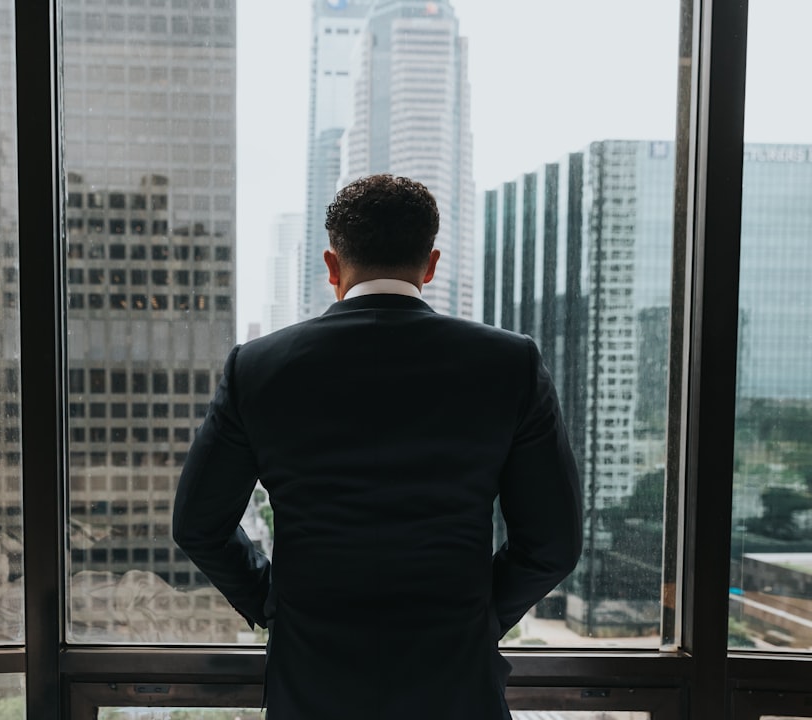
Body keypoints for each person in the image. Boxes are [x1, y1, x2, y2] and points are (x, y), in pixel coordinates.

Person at [172, 174, 582, 719]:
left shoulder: (258, 368)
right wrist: (478, 614)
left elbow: (198, 524)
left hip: (313, 688)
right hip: (456, 687)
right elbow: (552, 542)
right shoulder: (509, 364)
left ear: (332, 266)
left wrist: (274, 601)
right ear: (430, 265)